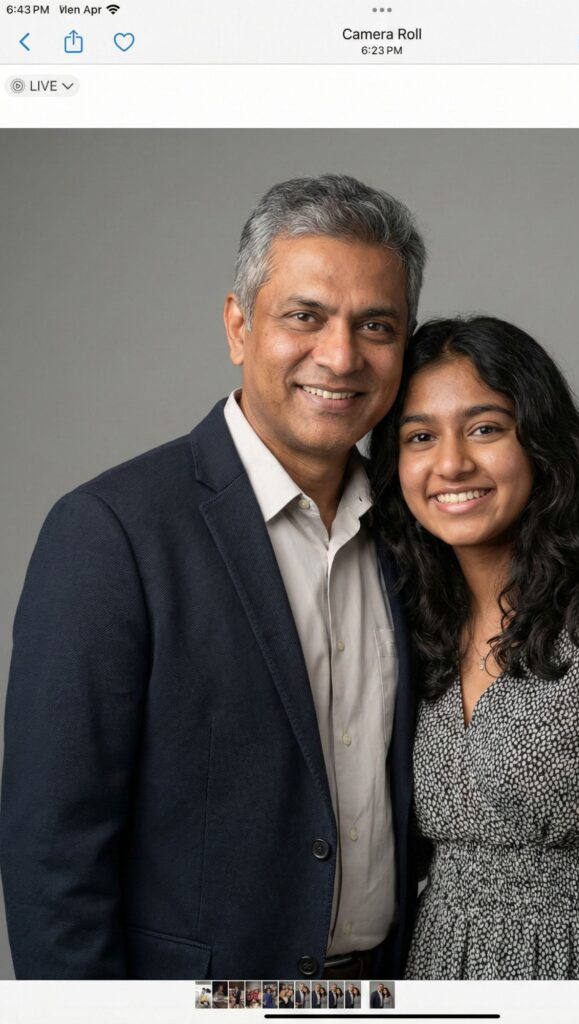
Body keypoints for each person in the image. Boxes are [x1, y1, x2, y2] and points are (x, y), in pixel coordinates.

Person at [0, 174, 425, 980]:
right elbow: (51, 850)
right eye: (305, 315)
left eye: (376, 325)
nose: (340, 355)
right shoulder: (110, 533)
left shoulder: (413, 534)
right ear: (238, 324)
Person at [370, 316, 579, 980]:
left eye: (485, 428)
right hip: (434, 971)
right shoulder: (413, 623)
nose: (452, 463)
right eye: (420, 437)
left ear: (542, 444)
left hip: (576, 975)